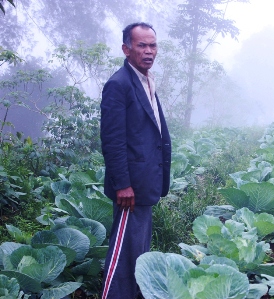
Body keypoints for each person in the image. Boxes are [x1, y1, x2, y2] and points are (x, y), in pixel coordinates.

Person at [100, 22, 171, 299]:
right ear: (126, 49)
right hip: (130, 189)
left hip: (146, 183)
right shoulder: (119, 85)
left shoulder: (146, 81)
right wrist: (122, 185)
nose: (149, 51)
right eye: (141, 45)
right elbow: (113, 140)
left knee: (138, 250)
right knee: (123, 253)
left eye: (152, 45)